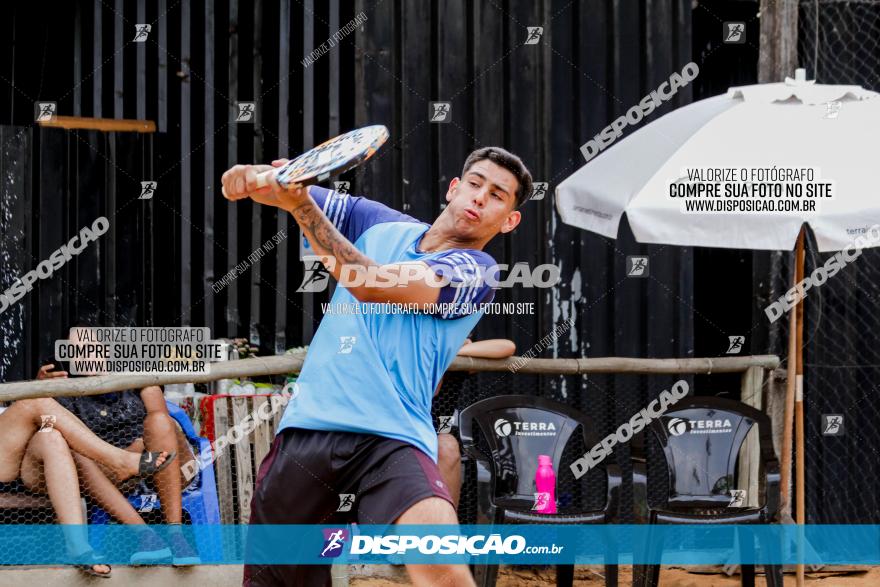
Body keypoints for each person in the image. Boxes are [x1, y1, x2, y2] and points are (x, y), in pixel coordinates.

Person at [222, 146, 532, 586]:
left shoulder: (476, 271)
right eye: (476, 183)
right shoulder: (378, 221)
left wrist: (300, 206)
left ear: (508, 220)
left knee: (444, 572)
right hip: (307, 429)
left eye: (498, 195)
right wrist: (248, 177)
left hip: (392, 438)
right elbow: (279, 185)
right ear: (454, 188)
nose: (481, 197)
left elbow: (370, 284)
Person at [38, 322, 201, 565]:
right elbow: (44, 431)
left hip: (167, 467)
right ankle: (146, 537)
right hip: (113, 475)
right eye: (78, 352)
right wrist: (39, 392)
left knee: (159, 422)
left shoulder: (136, 377)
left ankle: (176, 535)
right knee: (74, 453)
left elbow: (160, 421)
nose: (88, 357)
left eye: (94, 348)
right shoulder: (64, 390)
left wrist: (139, 449)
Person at [0, 395, 175, 577]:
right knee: (35, 402)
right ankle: (118, 460)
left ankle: (78, 546)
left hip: (20, 462)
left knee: (51, 436)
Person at [434, 337, 516, 511]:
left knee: (447, 445)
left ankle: (445, 528)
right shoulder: (409, 358)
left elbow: (507, 347)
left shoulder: (454, 363)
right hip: (404, 431)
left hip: (439, 431)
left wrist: (450, 352)